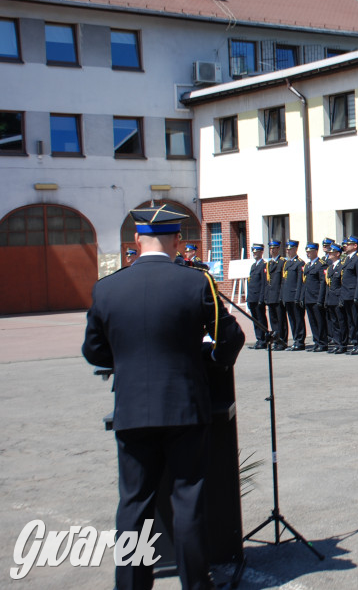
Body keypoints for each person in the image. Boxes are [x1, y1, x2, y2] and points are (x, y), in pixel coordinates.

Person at [82, 204, 245, 590]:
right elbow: (230, 336)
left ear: (136, 240)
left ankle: (132, 584)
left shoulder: (106, 287)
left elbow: (93, 350)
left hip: (133, 407)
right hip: (185, 405)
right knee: (187, 499)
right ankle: (196, 584)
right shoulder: (195, 283)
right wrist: (213, 361)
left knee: (134, 502)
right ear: (177, 242)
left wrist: (124, 362)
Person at [300, 242, 328, 352]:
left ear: (316, 251)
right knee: (312, 322)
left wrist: (320, 299)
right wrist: (302, 297)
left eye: (310, 252)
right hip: (308, 298)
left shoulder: (321, 264)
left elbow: (322, 283)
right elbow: (304, 283)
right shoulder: (307, 266)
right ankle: (316, 341)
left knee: (320, 321)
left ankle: (322, 342)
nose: (308, 254)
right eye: (307, 252)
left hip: (316, 298)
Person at [340, 236, 358, 354]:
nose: (346, 246)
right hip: (346, 294)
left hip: (353, 294)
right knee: (350, 321)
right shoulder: (346, 259)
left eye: (348, 244)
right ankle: (355, 342)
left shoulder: (357, 258)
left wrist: (357, 295)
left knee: (356, 320)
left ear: (355, 246)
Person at [281, 240, 306, 350]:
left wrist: (298, 296)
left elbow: (300, 282)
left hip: (295, 296)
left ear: (295, 249)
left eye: (290, 249)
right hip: (288, 296)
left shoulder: (299, 263)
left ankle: (300, 341)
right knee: (292, 319)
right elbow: (284, 281)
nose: (288, 251)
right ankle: (295, 339)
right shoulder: (287, 263)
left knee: (298, 319)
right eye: (287, 249)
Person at [264, 240, 288, 351]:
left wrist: (282, 295)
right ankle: (276, 340)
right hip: (271, 296)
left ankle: (282, 340)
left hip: (278, 295)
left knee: (281, 319)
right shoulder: (269, 263)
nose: (272, 250)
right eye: (270, 248)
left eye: (274, 248)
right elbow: (267, 282)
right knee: (273, 320)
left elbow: (283, 280)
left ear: (278, 249)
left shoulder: (282, 262)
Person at [246, 243, 269, 349]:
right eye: (254, 252)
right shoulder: (253, 265)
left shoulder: (263, 265)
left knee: (261, 319)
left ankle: (263, 340)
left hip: (258, 297)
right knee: (255, 320)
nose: (254, 254)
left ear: (261, 252)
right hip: (252, 297)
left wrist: (261, 298)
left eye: (257, 252)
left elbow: (264, 283)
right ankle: (259, 339)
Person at [324, 242, 345, 352]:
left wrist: (341, 298)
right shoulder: (330, 268)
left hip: (338, 298)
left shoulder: (341, 266)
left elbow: (342, 284)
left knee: (341, 322)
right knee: (334, 323)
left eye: (331, 253)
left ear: (337, 254)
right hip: (331, 298)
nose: (329, 254)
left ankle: (342, 344)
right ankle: (337, 343)